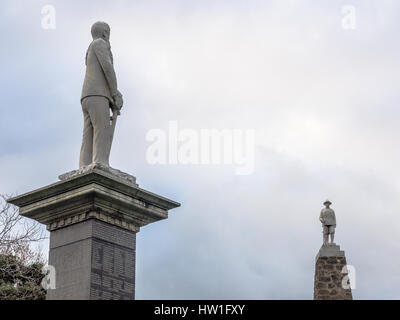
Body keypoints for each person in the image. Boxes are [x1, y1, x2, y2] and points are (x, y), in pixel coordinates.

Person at [79, 21, 123, 168]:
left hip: (87, 94)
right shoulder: (100, 44)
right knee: (101, 129)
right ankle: (100, 162)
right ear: (105, 33)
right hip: (98, 94)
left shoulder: (90, 47)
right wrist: (115, 93)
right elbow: (107, 68)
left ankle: (84, 165)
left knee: (89, 132)